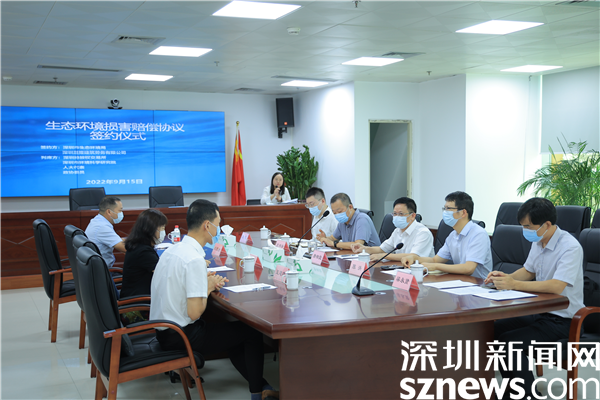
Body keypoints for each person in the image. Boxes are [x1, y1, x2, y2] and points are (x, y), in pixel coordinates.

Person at [150, 199, 278, 400]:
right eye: (218, 224)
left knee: (234, 333)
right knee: (251, 333)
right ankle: (257, 392)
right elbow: (194, 313)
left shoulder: (173, 250)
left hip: (164, 330)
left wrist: (203, 281)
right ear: (207, 225)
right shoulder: (193, 259)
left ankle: (262, 387)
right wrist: (207, 287)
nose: (219, 229)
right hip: (181, 336)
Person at [485, 198, 584, 400]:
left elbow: (556, 286)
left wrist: (514, 284)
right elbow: (528, 271)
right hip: (539, 312)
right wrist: (505, 278)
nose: (525, 231)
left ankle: (527, 395)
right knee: (489, 330)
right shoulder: (539, 240)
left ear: (546, 224)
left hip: (564, 320)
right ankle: (514, 390)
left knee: (508, 343)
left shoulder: (570, 247)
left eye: (528, 226)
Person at [400, 191, 492, 279]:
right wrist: (414, 258)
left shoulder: (478, 234)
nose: (445, 212)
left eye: (448, 209)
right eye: (444, 208)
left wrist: (436, 266)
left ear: (463, 213)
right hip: (461, 282)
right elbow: (435, 260)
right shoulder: (453, 235)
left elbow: (468, 268)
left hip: (479, 285)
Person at [351, 197, 434, 261]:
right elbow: (382, 249)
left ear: (412, 216)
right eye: (395, 213)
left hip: (423, 273)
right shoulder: (397, 230)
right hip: (401, 269)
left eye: (401, 214)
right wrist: (365, 249)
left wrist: (383, 256)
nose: (397, 217)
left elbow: (413, 257)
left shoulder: (423, 233)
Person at [121, 209, 167, 298]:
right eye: (162, 228)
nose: (163, 232)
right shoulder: (143, 252)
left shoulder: (137, 245)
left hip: (137, 295)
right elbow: (164, 275)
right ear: (150, 230)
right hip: (139, 301)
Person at [316, 193, 381, 249]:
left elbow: (357, 245)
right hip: (352, 256)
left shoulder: (362, 219)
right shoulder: (342, 222)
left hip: (372, 257)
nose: (337, 215)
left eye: (340, 211)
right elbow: (333, 238)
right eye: (334, 213)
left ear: (350, 207)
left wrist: (334, 244)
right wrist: (325, 238)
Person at [85, 195, 126, 269]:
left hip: (96, 268)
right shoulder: (102, 227)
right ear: (109, 212)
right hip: (103, 272)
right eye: (120, 210)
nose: (121, 213)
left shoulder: (97, 221)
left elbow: (118, 241)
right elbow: (125, 248)